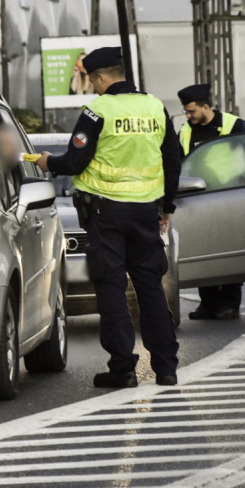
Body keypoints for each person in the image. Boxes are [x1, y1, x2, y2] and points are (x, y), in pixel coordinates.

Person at [38, 47, 181, 388]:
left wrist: (47, 163)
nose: (91, 86)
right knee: (151, 289)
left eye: (90, 80)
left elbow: (74, 162)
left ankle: (123, 370)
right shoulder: (155, 107)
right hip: (146, 213)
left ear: (101, 77)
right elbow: (173, 160)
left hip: (106, 215)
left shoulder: (97, 111)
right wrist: (168, 208)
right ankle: (166, 368)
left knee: (112, 288)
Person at [177, 84, 245, 320]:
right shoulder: (186, 132)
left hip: (229, 195)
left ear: (205, 107)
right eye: (186, 112)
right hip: (199, 197)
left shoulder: (233, 124)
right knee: (203, 248)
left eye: (191, 112)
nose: (188, 116)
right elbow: (178, 162)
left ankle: (229, 303)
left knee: (229, 247)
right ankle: (208, 304)